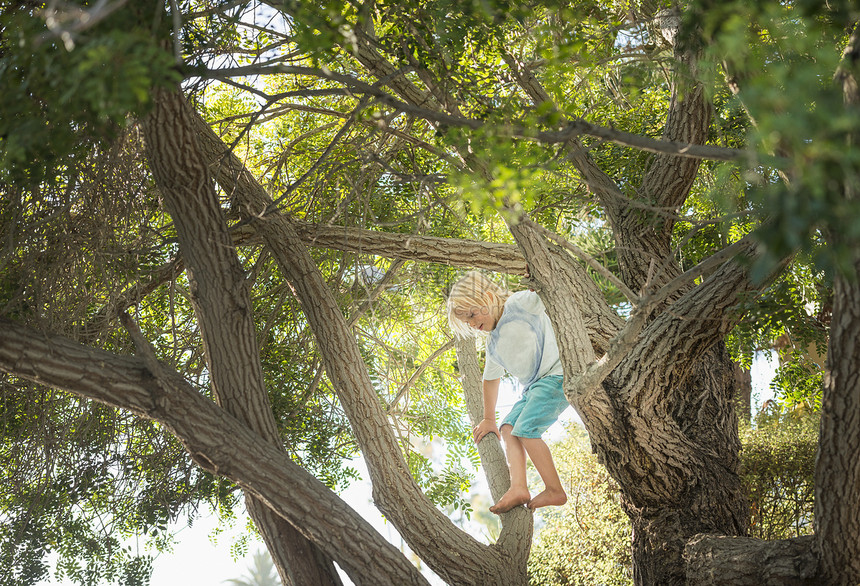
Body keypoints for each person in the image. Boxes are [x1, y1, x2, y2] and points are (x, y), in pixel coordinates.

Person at [447, 271, 569, 514]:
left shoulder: (520, 304)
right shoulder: (492, 343)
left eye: (472, 314)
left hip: (558, 375)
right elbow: (490, 379)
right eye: (467, 321)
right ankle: (519, 487)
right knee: (509, 429)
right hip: (535, 388)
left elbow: (550, 289)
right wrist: (489, 418)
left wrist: (537, 275)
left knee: (526, 430)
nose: (472, 323)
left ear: (490, 297)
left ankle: (555, 489)